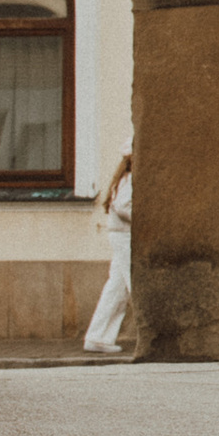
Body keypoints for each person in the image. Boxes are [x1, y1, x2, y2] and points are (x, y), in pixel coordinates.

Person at [81, 149, 133, 356]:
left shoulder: (122, 178)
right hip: (125, 236)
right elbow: (122, 206)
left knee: (117, 289)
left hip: (120, 235)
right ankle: (157, 335)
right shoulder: (131, 179)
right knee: (133, 284)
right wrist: (144, 219)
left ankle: (98, 337)